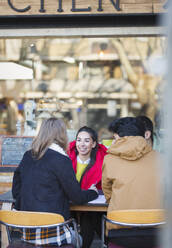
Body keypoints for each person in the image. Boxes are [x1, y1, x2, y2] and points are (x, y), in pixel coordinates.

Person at [12, 118, 98, 247]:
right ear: (62, 135)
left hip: (28, 232)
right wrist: (93, 192)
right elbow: (77, 197)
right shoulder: (62, 159)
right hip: (53, 233)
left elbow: (16, 191)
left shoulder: (27, 155)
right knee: (80, 239)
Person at [102, 117, 163, 247]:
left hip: (120, 230)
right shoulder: (162, 159)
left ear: (117, 136)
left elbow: (108, 194)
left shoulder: (109, 159)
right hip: (156, 231)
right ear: (144, 135)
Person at [68, 126, 107, 248]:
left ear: (94, 144)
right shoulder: (67, 159)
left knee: (89, 219)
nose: (82, 144)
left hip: (91, 207)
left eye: (87, 140)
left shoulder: (102, 161)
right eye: (79, 140)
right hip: (71, 204)